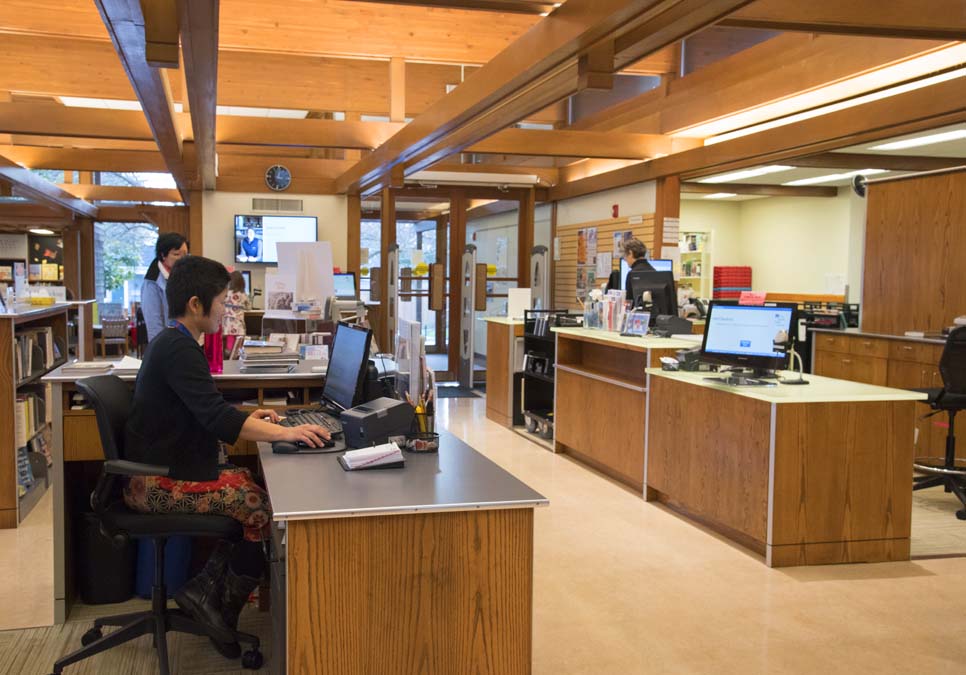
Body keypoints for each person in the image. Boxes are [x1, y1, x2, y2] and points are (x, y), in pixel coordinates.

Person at [123, 255, 331, 658]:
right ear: (197, 304)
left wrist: (252, 419)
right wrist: (287, 432)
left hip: (161, 469)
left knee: (248, 488)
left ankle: (204, 594)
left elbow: (206, 409)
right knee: (258, 507)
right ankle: (220, 608)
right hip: (153, 483)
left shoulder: (174, 342)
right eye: (222, 301)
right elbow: (216, 418)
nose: (227, 309)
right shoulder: (180, 349)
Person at [141, 233, 188, 342]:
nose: (182, 259)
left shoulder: (182, 273)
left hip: (183, 340)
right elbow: (154, 324)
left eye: (185, 254)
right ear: (163, 255)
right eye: (176, 254)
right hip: (167, 343)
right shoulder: (152, 282)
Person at [222, 270, 251, 356]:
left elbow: (222, 303)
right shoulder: (243, 295)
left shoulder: (227, 293)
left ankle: (229, 353)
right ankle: (237, 354)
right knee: (239, 341)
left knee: (230, 342)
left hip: (228, 323)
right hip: (239, 323)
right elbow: (248, 307)